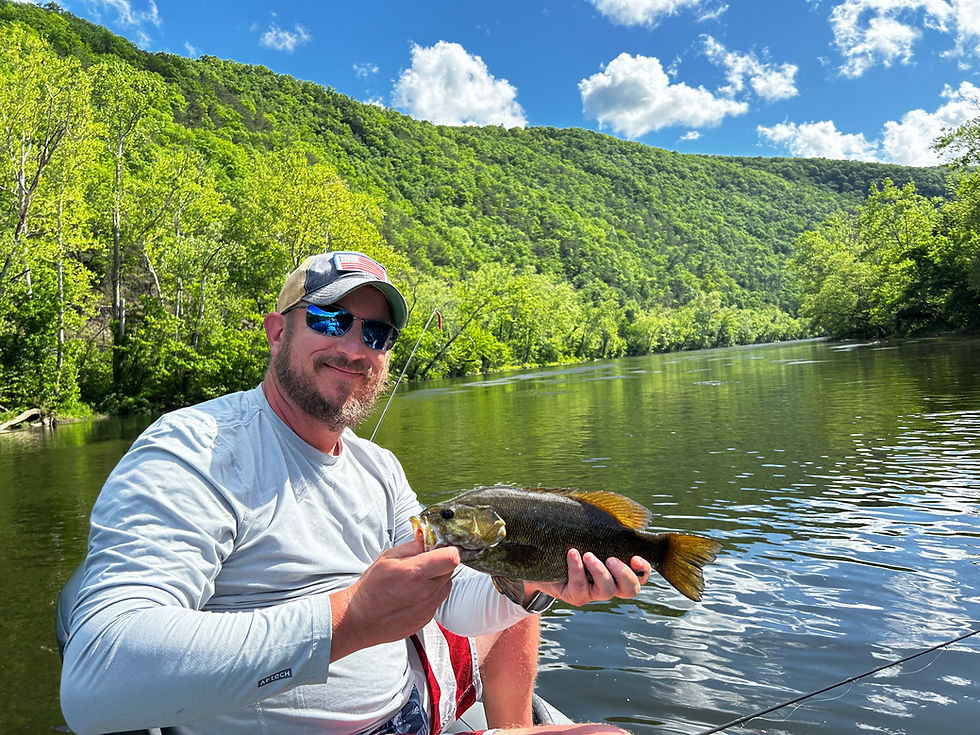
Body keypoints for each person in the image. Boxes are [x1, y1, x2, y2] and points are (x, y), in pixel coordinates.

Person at [60, 251, 652, 735]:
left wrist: (536, 581)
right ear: (275, 331)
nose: (355, 346)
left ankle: (512, 726)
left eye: (376, 332)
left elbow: (448, 603)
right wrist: (349, 622)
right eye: (328, 320)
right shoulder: (195, 450)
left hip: (412, 716)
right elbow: (98, 679)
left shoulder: (378, 466)